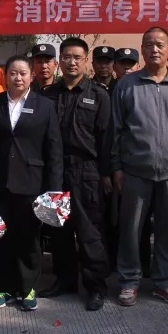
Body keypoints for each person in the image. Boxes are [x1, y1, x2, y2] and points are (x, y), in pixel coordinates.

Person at [110, 27, 168, 307]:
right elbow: (116, 129)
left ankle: (164, 282)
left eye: (160, 44)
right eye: (149, 44)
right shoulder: (127, 85)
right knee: (131, 231)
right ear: (142, 49)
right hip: (135, 170)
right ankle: (129, 281)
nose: (155, 49)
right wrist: (116, 166)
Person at [0, 55, 63, 311]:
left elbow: (54, 148)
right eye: (13, 73)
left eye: (23, 73)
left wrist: (54, 187)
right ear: (5, 76)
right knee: (2, 237)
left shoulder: (44, 106)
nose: (18, 78)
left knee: (28, 238)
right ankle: (5, 287)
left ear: (31, 76)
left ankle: (27, 288)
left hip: (31, 182)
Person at [39, 38, 112, 311]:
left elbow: (106, 139)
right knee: (59, 230)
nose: (72, 62)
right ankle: (65, 280)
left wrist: (106, 174)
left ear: (86, 61)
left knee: (89, 232)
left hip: (87, 171)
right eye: (67, 57)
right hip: (55, 170)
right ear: (60, 61)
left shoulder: (99, 95)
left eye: (77, 58)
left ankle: (95, 286)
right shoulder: (47, 95)